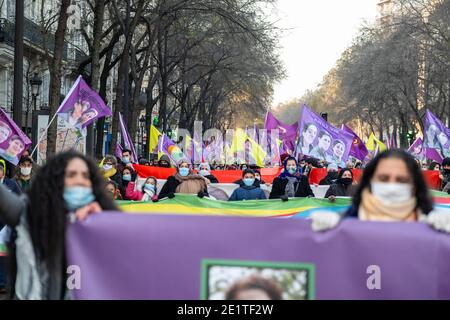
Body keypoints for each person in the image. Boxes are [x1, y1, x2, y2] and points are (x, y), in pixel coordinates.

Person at [0, 150, 117, 299]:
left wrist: (107, 223)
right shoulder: (30, 214)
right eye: (72, 175)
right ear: (55, 181)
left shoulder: (105, 218)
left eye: (85, 176)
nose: (80, 180)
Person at [311, 150, 450, 233]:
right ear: (370, 182)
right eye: (384, 178)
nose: (392, 185)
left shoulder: (432, 223)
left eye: (401, 179)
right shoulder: (347, 221)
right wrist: (333, 229)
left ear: (414, 185)